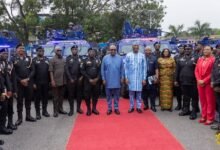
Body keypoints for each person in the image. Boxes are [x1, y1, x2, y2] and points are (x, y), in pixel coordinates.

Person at [12, 44, 36, 126]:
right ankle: (19, 118)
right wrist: (21, 80)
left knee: (28, 99)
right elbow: (13, 73)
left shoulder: (29, 58)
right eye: (20, 48)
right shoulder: (13, 59)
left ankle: (28, 116)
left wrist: (28, 79)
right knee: (19, 101)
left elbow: (33, 70)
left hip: (28, 82)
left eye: (23, 48)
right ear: (17, 50)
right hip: (19, 84)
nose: (22, 49)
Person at [175, 44, 199, 120]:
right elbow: (177, 70)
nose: (187, 50)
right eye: (186, 49)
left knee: (194, 97)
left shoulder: (196, 58)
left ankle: (194, 111)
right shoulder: (180, 59)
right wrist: (176, 80)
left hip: (193, 81)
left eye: (189, 49)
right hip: (183, 81)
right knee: (185, 96)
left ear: (191, 49)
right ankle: (186, 110)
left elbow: (199, 69)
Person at [195, 45, 215, 125]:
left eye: (208, 49)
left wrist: (204, 80)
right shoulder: (200, 59)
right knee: (203, 101)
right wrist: (199, 80)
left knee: (210, 101)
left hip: (208, 83)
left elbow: (213, 72)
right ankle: (204, 116)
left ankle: (210, 117)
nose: (206, 51)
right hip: (200, 83)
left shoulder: (213, 60)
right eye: (205, 50)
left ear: (211, 51)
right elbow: (196, 71)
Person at [101, 45, 123, 115]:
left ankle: (116, 108)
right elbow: (102, 69)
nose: (113, 51)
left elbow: (122, 69)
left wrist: (122, 77)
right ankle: (109, 108)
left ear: (116, 50)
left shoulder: (120, 58)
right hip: (108, 80)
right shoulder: (105, 58)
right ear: (109, 50)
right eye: (111, 49)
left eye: (114, 49)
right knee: (108, 96)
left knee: (117, 96)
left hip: (117, 80)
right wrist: (103, 79)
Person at [124, 43, 146, 113]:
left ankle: (139, 107)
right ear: (132, 47)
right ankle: (131, 107)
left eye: (137, 47)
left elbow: (144, 68)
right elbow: (126, 68)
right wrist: (126, 78)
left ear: (138, 48)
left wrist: (144, 78)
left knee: (139, 93)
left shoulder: (142, 55)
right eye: (134, 47)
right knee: (131, 94)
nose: (135, 48)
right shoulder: (128, 55)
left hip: (139, 78)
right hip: (131, 78)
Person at [0, 48, 17, 130]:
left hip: (10, 88)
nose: (5, 55)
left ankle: (9, 123)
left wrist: (14, 90)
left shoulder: (10, 63)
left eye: (6, 53)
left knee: (10, 107)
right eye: (3, 53)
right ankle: (2, 126)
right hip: (3, 89)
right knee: (3, 108)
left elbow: (13, 77)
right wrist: (4, 91)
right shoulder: (0, 64)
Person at [81, 48, 101, 116]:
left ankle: (94, 108)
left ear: (95, 53)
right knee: (87, 96)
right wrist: (89, 78)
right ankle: (89, 109)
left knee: (95, 95)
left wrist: (97, 78)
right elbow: (82, 71)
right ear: (88, 52)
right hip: (87, 81)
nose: (92, 53)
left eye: (93, 52)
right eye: (90, 51)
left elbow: (100, 70)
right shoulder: (84, 60)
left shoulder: (98, 60)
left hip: (96, 81)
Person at [65, 44, 84, 116]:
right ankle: (71, 110)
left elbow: (83, 69)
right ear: (71, 50)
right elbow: (66, 69)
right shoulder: (68, 58)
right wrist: (70, 78)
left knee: (79, 95)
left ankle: (78, 108)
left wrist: (81, 77)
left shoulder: (80, 58)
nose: (74, 50)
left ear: (77, 50)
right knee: (71, 95)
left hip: (79, 79)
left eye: (75, 49)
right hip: (71, 80)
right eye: (73, 49)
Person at [49, 46, 67, 117]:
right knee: (55, 97)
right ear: (55, 51)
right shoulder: (52, 60)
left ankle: (60, 109)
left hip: (63, 81)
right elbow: (50, 71)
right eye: (58, 50)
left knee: (61, 96)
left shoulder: (63, 59)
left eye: (60, 50)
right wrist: (52, 80)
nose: (59, 51)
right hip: (56, 81)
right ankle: (55, 111)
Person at [33, 46, 50, 119]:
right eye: (39, 51)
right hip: (37, 82)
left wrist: (50, 81)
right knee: (37, 98)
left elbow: (49, 71)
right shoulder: (33, 60)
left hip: (46, 82)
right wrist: (33, 83)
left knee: (45, 97)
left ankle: (44, 111)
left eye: (42, 51)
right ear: (37, 52)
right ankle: (37, 113)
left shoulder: (47, 60)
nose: (41, 52)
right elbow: (32, 72)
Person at [142, 46, 158, 112]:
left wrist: (156, 77)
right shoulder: (142, 58)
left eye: (149, 50)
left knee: (152, 92)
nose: (147, 52)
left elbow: (156, 69)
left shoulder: (154, 58)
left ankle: (153, 106)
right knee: (144, 92)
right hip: (144, 77)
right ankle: (146, 105)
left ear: (151, 51)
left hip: (152, 77)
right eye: (146, 50)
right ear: (144, 51)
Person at [211, 45, 220, 131]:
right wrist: (213, 82)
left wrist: (216, 84)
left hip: (218, 86)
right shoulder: (217, 59)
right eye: (218, 48)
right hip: (216, 86)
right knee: (218, 105)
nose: (218, 50)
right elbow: (213, 71)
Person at [174, 44, 184, 110]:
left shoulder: (187, 56)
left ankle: (185, 106)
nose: (181, 49)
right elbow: (175, 68)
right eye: (180, 48)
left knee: (185, 93)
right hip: (177, 76)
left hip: (184, 77)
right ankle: (179, 104)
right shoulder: (176, 57)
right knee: (178, 92)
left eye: (182, 48)